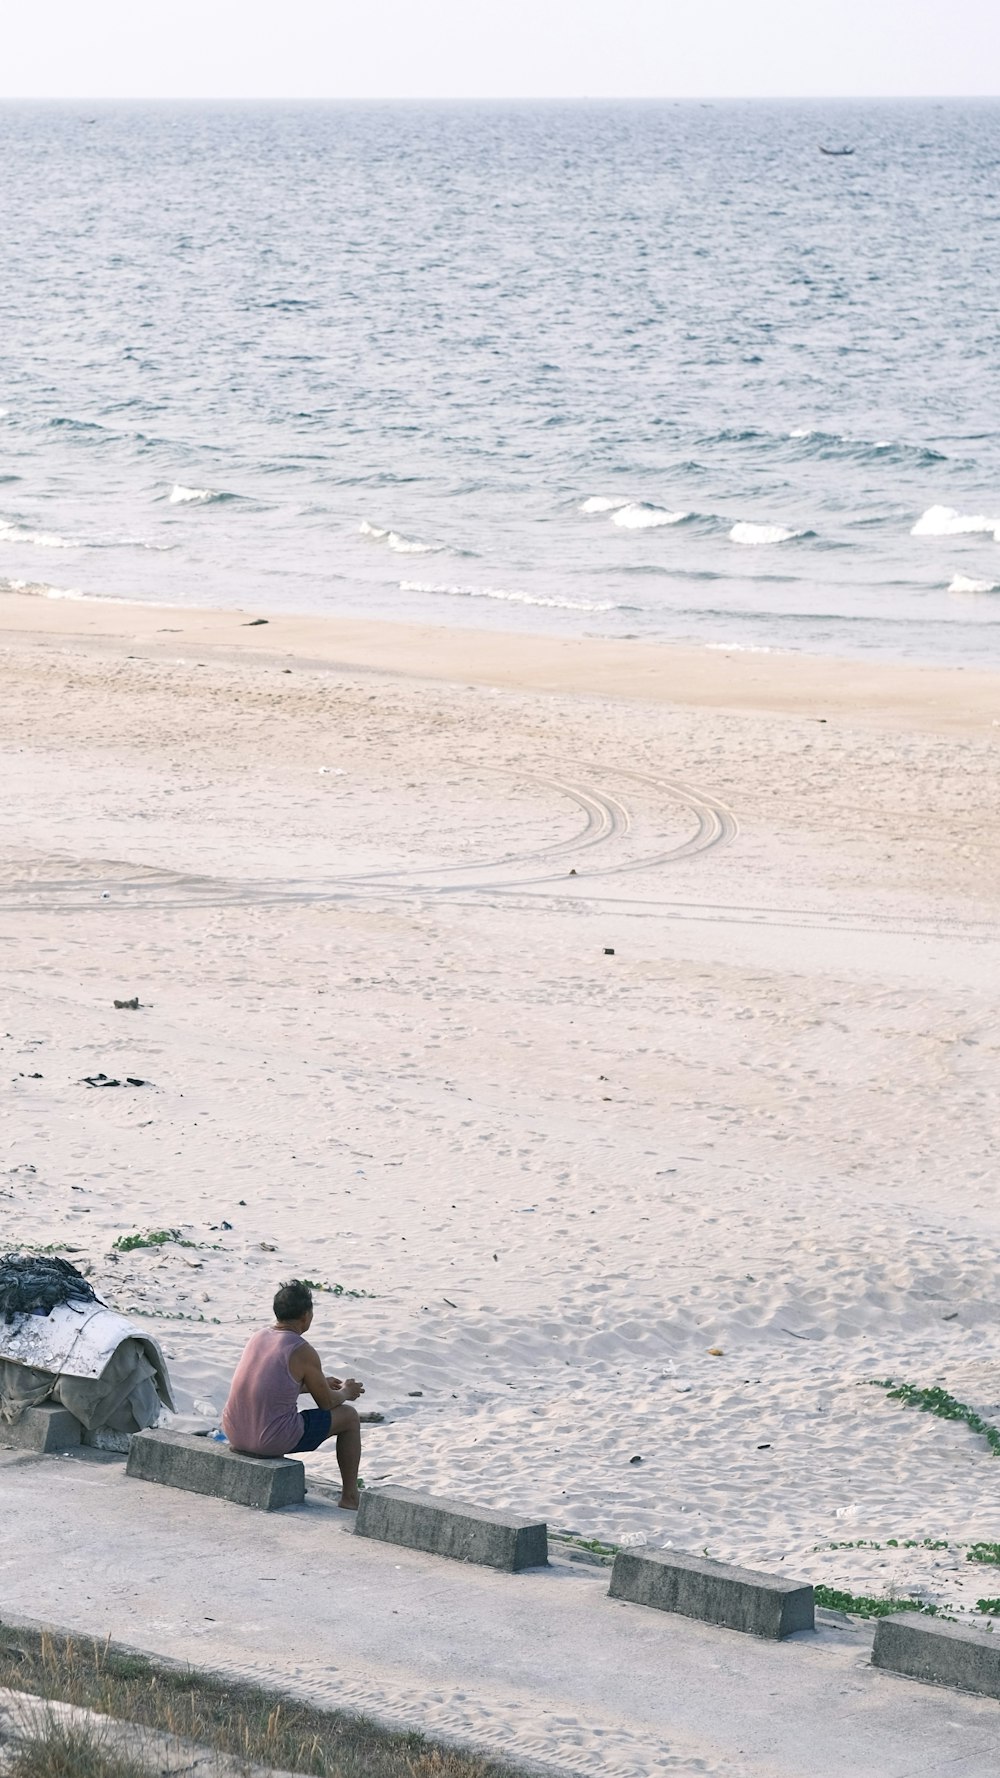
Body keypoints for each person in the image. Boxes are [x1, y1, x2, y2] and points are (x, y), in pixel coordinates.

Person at [222, 1279, 364, 1508]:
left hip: (234, 1433)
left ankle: (350, 1496)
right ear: (306, 1316)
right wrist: (347, 1392)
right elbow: (327, 1403)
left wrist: (312, 1384)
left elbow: (274, 1386)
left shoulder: (258, 1337)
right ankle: (350, 1497)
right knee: (349, 1416)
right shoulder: (302, 1349)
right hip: (269, 1441)